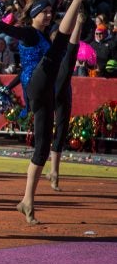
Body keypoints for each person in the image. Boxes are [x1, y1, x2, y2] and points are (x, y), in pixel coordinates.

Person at [0, 0, 88, 224]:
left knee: (42, 148)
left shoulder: (41, 32)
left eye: (50, 11)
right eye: (44, 12)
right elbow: (9, 30)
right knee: (60, 45)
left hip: (46, 91)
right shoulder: (29, 32)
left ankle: (27, 200)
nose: (49, 14)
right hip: (34, 86)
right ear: (34, 16)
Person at [48, 14, 84, 191]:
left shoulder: (67, 51)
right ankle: (46, 169)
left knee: (60, 132)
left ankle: (54, 171)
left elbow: (73, 46)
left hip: (62, 92)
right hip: (48, 91)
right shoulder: (48, 49)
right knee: (45, 132)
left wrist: (78, 23)